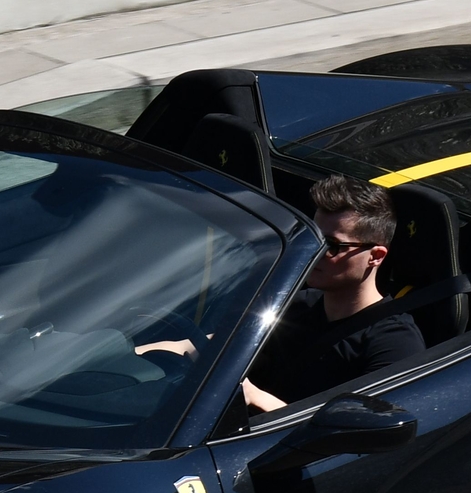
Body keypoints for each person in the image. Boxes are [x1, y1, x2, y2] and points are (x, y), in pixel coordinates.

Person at [142, 175, 423, 414]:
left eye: (333, 245)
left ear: (375, 256)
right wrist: (127, 355)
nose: (316, 252)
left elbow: (359, 438)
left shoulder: (394, 342)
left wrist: (254, 397)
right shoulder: (295, 306)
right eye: (313, 238)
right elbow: (210, 345)